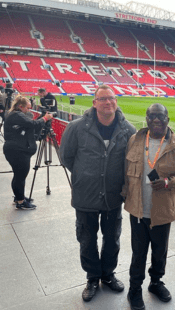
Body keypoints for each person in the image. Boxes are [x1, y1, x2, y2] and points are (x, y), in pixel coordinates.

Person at [59, 85, 136, 302]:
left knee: (112, 238)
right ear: (94, 103)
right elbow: (66, 157)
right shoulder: (76, 128)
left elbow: (132, 161)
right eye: (102, 99)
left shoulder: (127, 130)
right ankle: (92, 277)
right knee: (86, 238)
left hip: (113, 197)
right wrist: (86, 175)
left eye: (111, 98)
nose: (108, 103)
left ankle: (108, 274)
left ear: (116, 101)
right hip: (85, 196)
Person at [121, 103, 175, 310]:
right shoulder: (134, 140)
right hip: (139, 209)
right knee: (138, 252)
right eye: (152, 117)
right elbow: (125, 173)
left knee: (160, 252)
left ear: (168, 119)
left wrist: (170, 182)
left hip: (162, 211)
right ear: (147, 119)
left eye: (160, 117)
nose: (156, 120)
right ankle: (134, 289)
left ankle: (156, 282)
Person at [3, 96, 53, 209]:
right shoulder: (17, 114)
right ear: (21, 106)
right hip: (17, 151)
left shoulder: (14, 114)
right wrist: (45, 118)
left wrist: (41, 118)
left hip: (15, 150)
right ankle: (21, 202)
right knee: (20, 176)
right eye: (28, 108)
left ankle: (19, 197)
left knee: (18, 176)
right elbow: (32, 124)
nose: (29, 111)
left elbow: (30, 124)